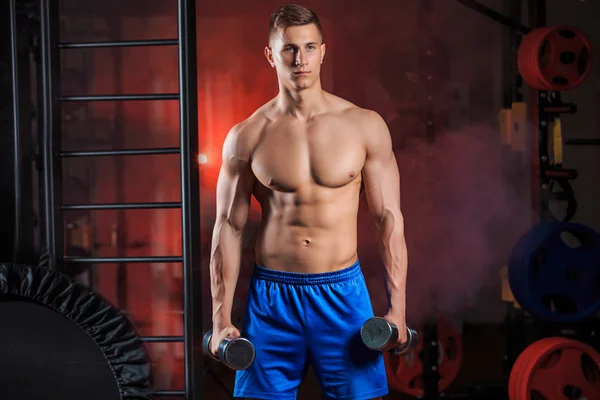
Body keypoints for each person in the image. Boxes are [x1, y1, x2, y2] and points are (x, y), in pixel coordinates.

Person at [209, 4, 408, 399]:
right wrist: (220, 319)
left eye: (309, 47)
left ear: (323, 51)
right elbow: (228, 228)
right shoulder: (247, 136)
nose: (301, 60)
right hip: (272, 299)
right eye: (289, 49)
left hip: (342, 293)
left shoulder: (363, 126)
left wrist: (397, 310)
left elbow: (387, 219)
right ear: (270, 54)